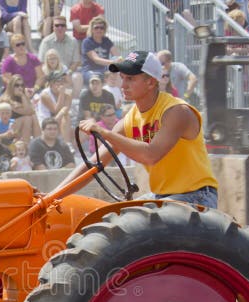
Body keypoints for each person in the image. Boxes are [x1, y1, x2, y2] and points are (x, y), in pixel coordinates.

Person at [59, 51, 219, 209]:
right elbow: (93, 164)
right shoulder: (129, 120)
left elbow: (150, 155)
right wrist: (52, 197)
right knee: (115, 217)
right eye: (122, 78)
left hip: (197, 196)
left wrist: (106, 133)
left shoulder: (176, 112)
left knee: (133, 221)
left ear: (150, 82)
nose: (123, 85)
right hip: (164, 197)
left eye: (130, 79)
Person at [38, 16, 82, 95]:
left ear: (66, 27)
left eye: (62, 25)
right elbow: (41, 62)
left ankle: (74, 101)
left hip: (67, 73)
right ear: (53, 27)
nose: (60, 28)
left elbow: (76, 62)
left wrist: (67, 73)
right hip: (50, 73)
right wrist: (54, 75)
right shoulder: (46, 42)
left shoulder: (73, 41)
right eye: (57, 25)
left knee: (77, 77)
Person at [0, 73, 40, 143]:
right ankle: (28, 146)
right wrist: (23, 96)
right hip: (6, 129)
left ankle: (38, 144)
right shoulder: (6, 99)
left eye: (22, 85)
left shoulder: (21, 97)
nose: (20, 88)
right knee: (27, 118)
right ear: (11, 86)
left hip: (19, 129)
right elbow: (27, 111)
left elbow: (32, 111)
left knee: (33, 117)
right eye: (17, 85)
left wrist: (23, 97)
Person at [36, 71, 72, 143]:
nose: (62, 83)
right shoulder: (45, 94)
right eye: (59, 80)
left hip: (59, 122)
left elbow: (65, 111)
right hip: (45, 123)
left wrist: (63, 94)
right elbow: (55, 110)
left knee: (67, 118)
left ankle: (68, 145)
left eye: (63, 80)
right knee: (63, 113)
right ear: (51, 83)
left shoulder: (67, 95)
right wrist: (61, 94)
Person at [80, 16, 118, 83]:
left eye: (101, 28)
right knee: (96, 79)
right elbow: (96, 60)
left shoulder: (107, 41)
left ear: (104, 30)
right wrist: (113, 62)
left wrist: (119, 61)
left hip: (104, 70)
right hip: (90, 71)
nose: (99, 30)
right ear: (92, 29)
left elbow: (116, 55)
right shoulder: (87, 42)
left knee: (119, 75)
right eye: (96, 28)